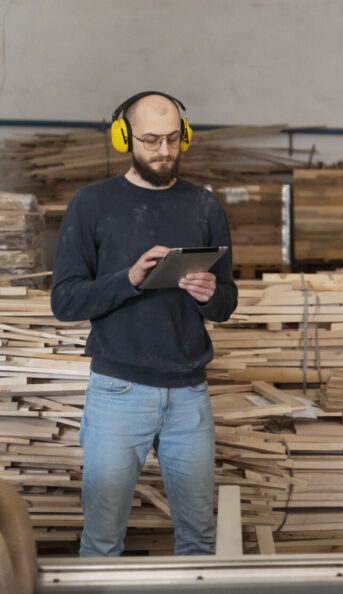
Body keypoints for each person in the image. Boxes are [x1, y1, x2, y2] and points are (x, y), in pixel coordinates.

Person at [50, 92, 237, 557]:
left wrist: (211, 295)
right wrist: (130, 278)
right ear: (123, 137)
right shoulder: (91, 204)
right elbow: (65, 300)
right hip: (118, 392)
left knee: (199, 538)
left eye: (173, 139)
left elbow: (227, 302)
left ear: (185, 136)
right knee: (102, 540)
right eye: (151, 140)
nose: (164, 151)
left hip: (189, 394)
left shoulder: (205, 206)